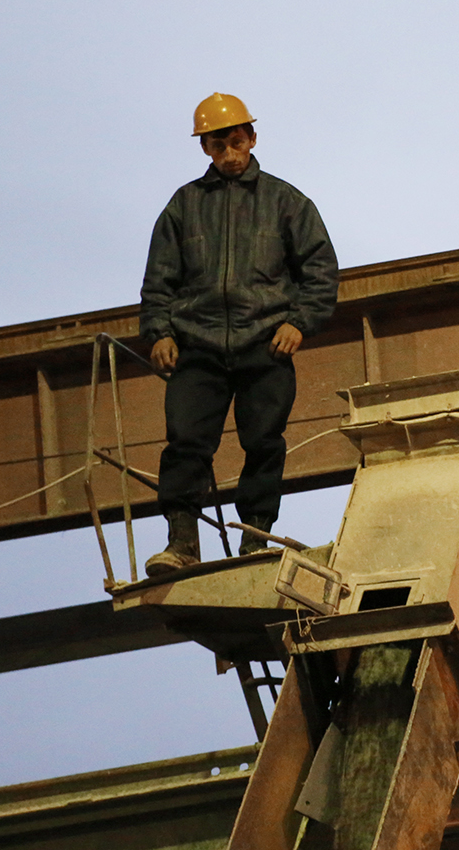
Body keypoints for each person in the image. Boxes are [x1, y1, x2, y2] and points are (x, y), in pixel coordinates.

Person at [139, 93, 338, 577]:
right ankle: (181, 542)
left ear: (252, 138)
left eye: (236, 141)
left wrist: (298, 323)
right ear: (204, 148)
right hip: (197, 345)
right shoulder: (184, 206)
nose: (229, 153)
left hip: (264, 344)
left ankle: (255, 536)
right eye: (217, 144)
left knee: (264, 441)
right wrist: (159, 332)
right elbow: (158, 279)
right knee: (185, 442)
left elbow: (321, 271)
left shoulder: (286, 202)